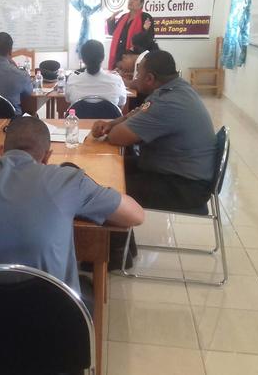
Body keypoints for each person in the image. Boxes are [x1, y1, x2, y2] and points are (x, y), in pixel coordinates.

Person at [0, 117, 144, 293]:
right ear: (47, 156)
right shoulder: (69, 181)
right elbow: (135, 215)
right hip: (50, 316)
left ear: (1, 152)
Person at [90, 50, 217, 267]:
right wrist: (112, 123)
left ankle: (116, 256)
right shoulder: (173, 89)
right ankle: (121, 245)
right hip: (171, 170)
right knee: (109, 169)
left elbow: (118, 139)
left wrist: (112, 130)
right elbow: (136, 114)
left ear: (150, 78)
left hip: (184, 187)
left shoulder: (170, 103)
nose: (134, 77)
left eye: (138, 73)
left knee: (108, 189)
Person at [66, 39, 127, 108]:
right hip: (110, 118)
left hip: (79, 118)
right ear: (103, 57)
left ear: (82, 59)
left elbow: (68, 100)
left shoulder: (73, 78)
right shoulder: (116, 79)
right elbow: (121, 103)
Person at [106, 0, 155, 70]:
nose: (131, 1)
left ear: (141, 4)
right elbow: (112, 32)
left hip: (133, 58)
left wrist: (145, 30)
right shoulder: (123, 17)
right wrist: (111, 20)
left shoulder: (145, 17)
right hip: (118, 57)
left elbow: (149, 38)